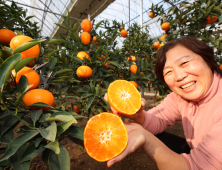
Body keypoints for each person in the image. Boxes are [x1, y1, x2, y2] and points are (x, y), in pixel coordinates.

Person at [104, 36, 222, 169]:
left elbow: (198, 167)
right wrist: (137, 114)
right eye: (168, 72)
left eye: (184, 63)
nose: (179, 76)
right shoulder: (179, 97)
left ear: (208, 60)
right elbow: (158, 120)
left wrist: (147, 139)